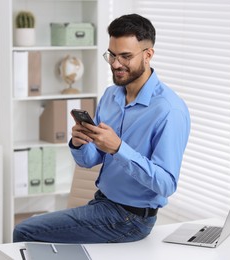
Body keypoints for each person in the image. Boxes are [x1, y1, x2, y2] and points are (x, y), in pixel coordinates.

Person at [13, 13, 190, 244]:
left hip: (131, 218)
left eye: (125, 56)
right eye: (112, 55)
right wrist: (79, 143)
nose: (116, 64)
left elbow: (166, 184)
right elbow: (89, 160)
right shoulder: (111, 95)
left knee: (24, 231)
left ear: (148, 55)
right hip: (102, 203)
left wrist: (118, 149)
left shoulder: (168, 110)